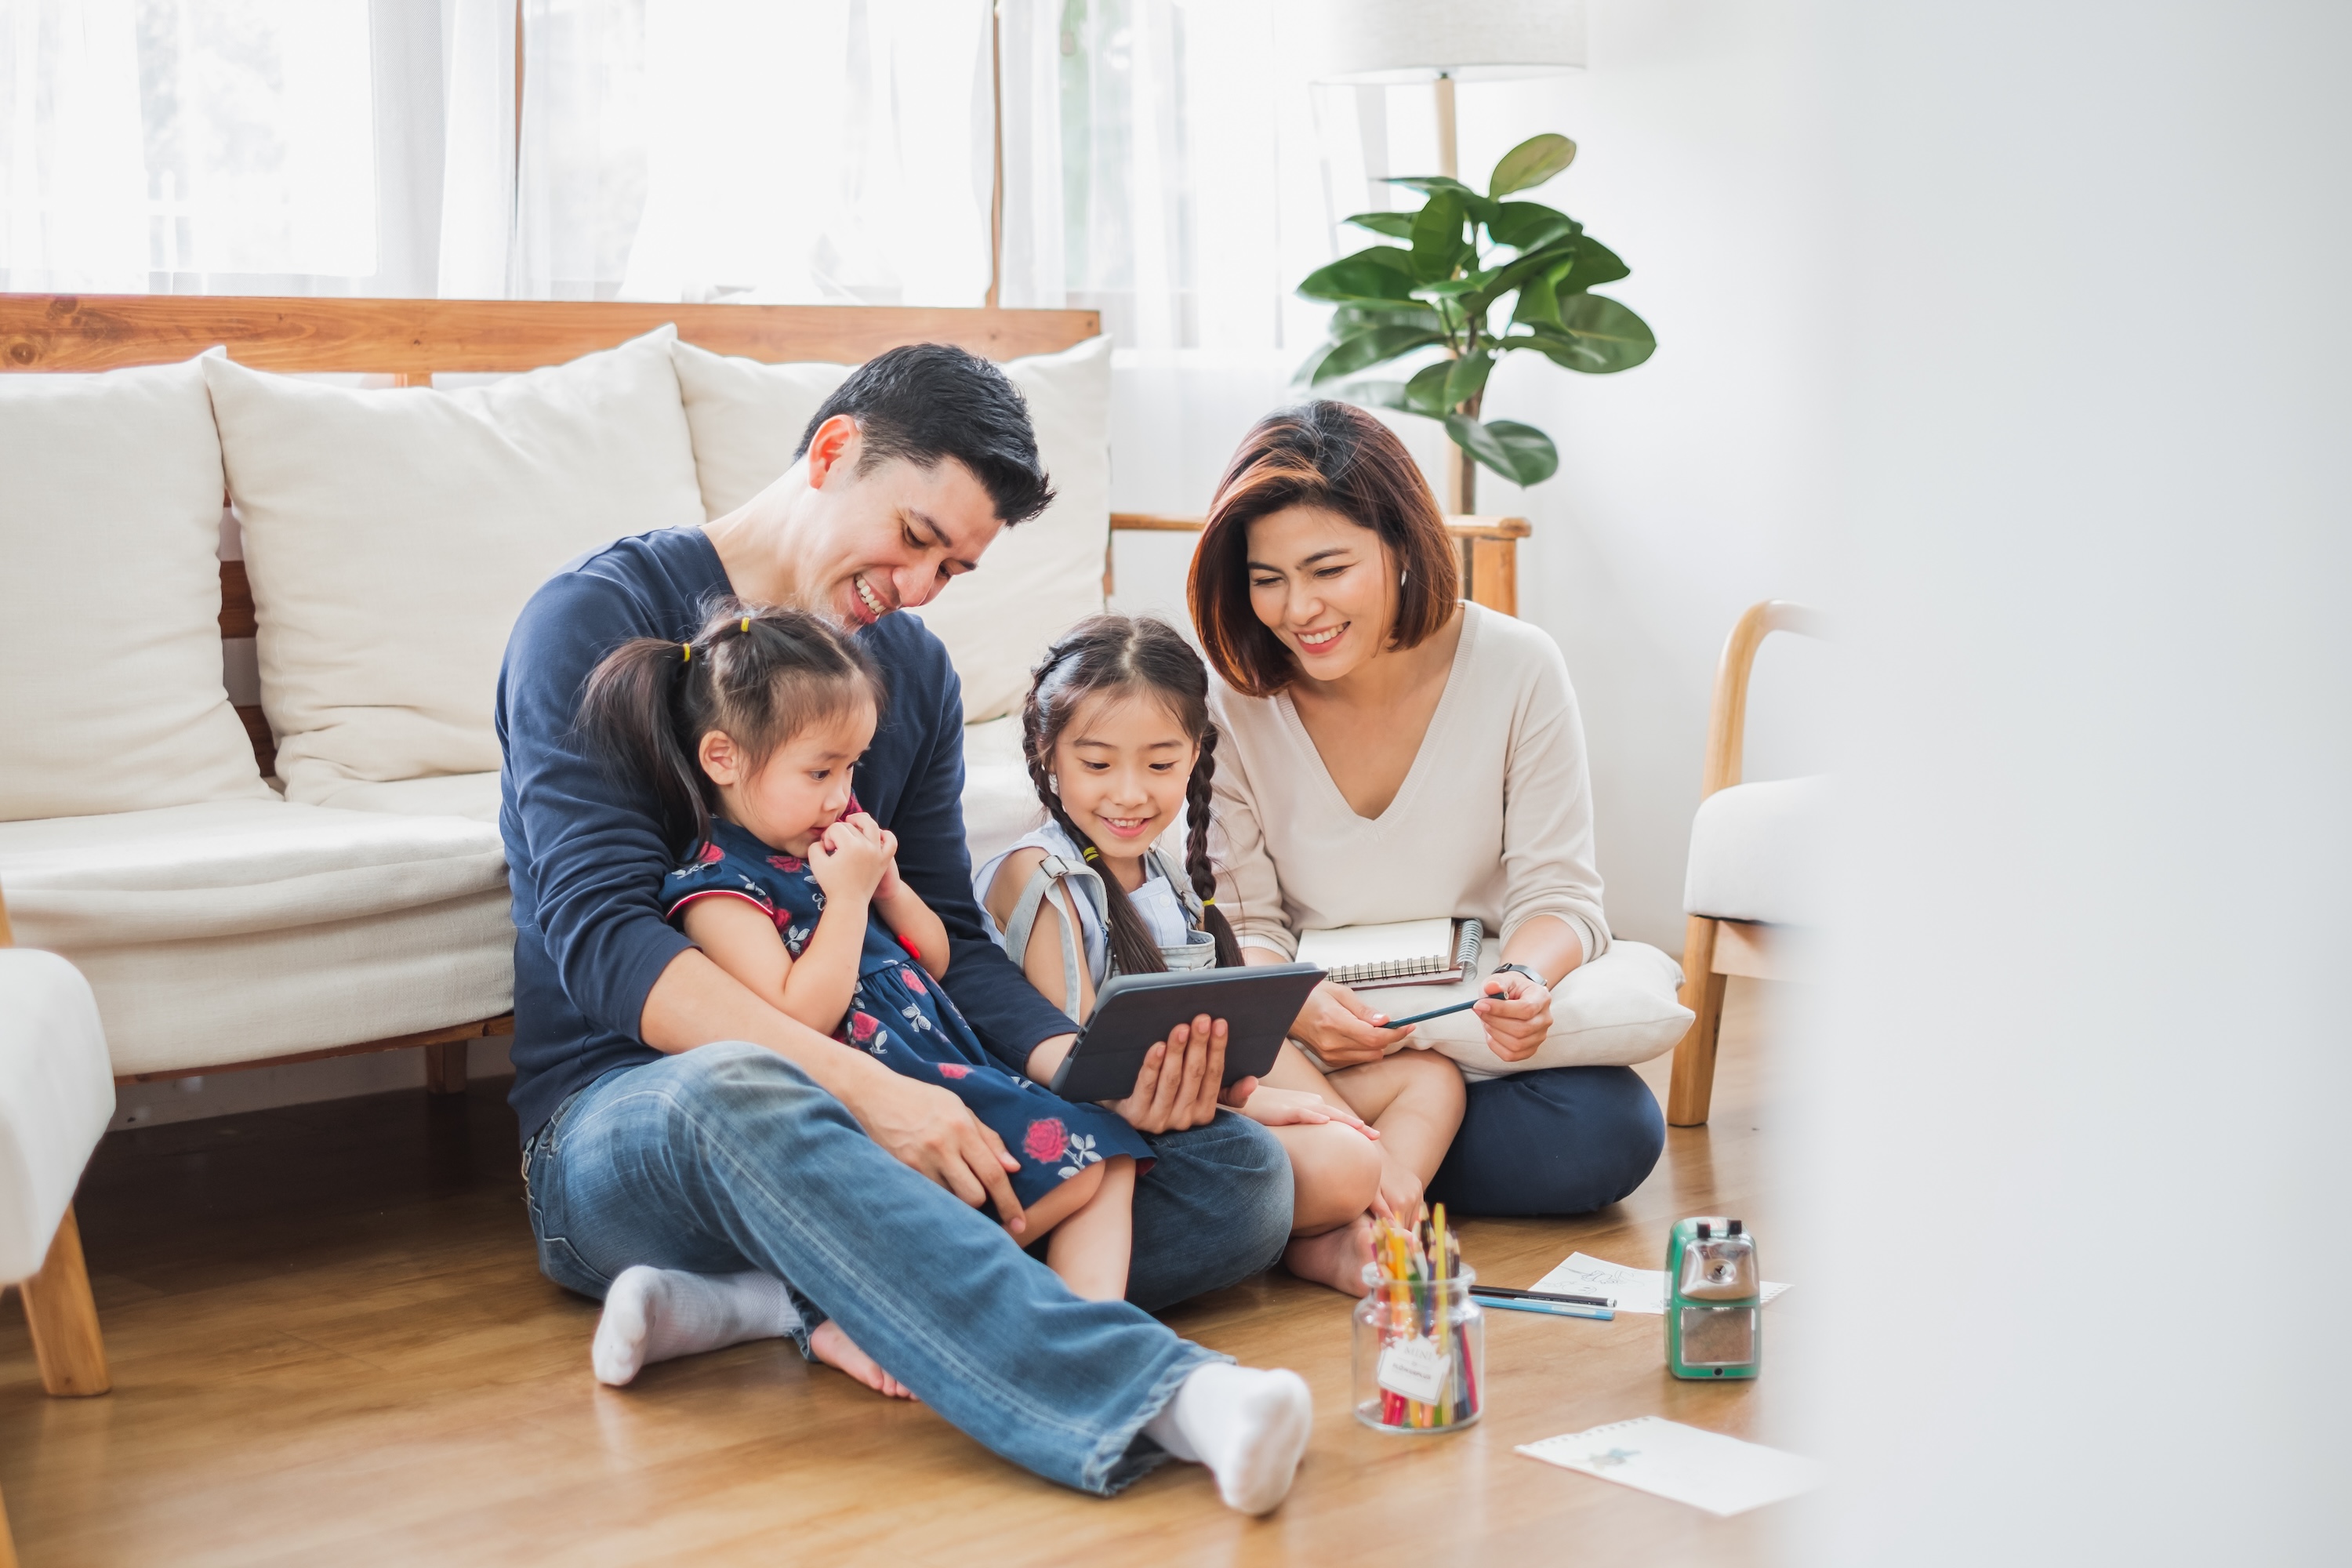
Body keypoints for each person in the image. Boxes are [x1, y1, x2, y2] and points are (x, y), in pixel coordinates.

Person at [498, 343, 1308, 1510]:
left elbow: (955, 945)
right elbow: (602, 939)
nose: (921, 586)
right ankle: (1169, 1398)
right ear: (833, 452)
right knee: (741, 1089)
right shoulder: (593, 618)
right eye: (917, 537)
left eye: (956, 567)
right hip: (634, 1125)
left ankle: (778, 1299)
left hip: (881, 1085)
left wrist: (1081, 1074)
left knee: (1236, 1176)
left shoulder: (908, 673)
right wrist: (867, 1092)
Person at [583, 601, 1153, 1320]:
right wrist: (848, 901)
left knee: (1113, 1159)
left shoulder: (834, 850)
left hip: (949, 1064)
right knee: (1076, 1176)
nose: (843, 797)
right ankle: (892, 1304)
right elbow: (798, 1015)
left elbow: (935, 959)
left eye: (851, 769)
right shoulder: (717, 885)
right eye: (820, 771)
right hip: (866, 1099)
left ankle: (1089, 1326)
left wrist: (889, 886)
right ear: (723, 757)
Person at [1187, 401, 1667, 1216]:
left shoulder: (1519, 666)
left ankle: (1343, 1174)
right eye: (1268, 580)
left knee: (1609, 1130)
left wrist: (1524, 976)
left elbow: (1559, 895)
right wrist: (1297, 1003)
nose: (1298, 609)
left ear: (1402, 544)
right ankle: (1372, 1165)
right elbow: (1245, 927)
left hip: (1463, 1023)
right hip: (1318, 1041)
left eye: (1328, 569)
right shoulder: (1231, 705)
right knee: (1219, 1063)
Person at [976, 614, 1465, 1295]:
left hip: (1205, 1100)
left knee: (1431, 1082)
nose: (1129, 792)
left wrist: (1281, 1102)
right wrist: (1264, 1110)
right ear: (1048, 752)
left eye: (1160, 763)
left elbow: (1225, 1037)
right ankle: (1345, 1222)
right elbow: (1086, 1077)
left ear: (1195, 754)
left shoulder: (1166, 877)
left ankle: (1361, 1227)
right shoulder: (1039, 876)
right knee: (1346, 1160)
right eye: (1096, 764)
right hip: (1120, 1127)